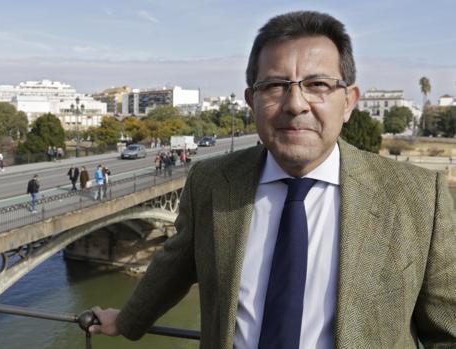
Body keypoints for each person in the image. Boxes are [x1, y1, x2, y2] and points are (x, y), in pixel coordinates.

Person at [90, 11, 456, 348]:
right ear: (252, 101)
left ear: (348, 101)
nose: (295, 103)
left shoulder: (418, 196)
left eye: (316, 84)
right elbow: (176, 265)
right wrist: (126, 321)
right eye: (275, 86)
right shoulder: (212, 182)